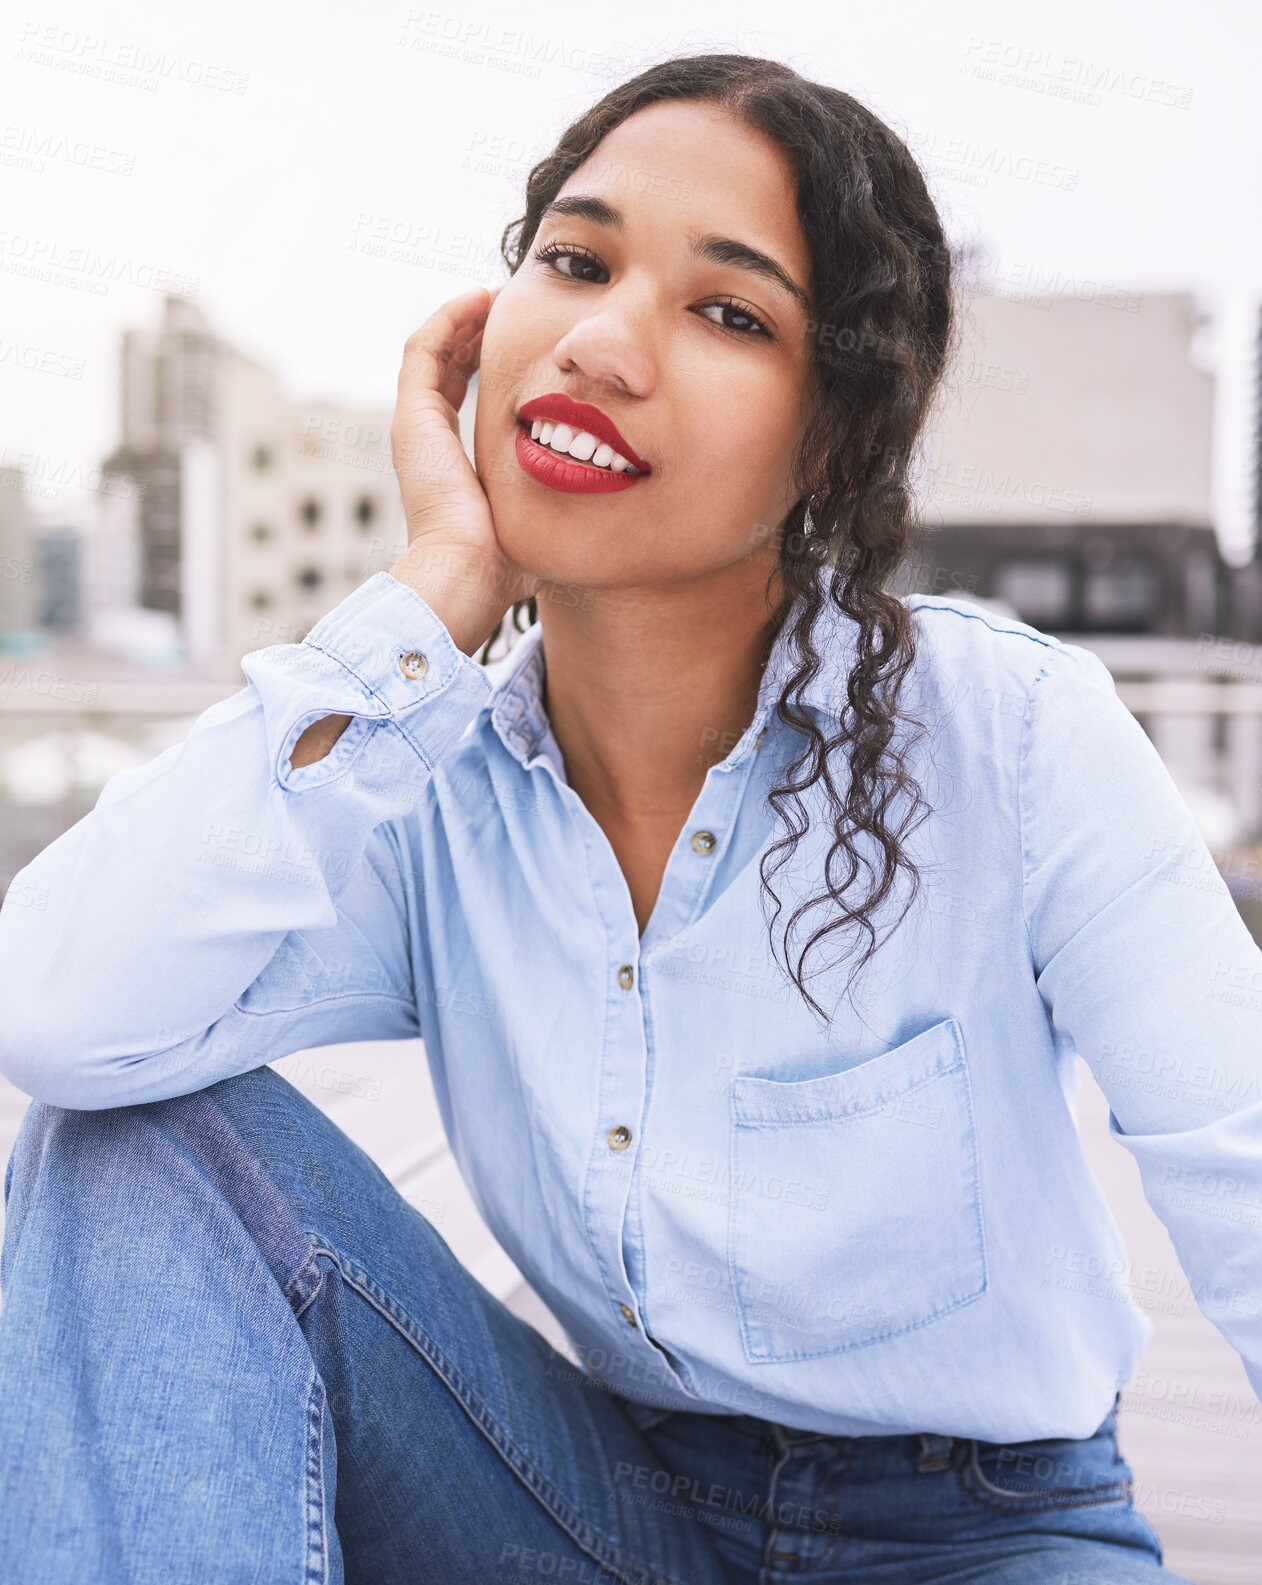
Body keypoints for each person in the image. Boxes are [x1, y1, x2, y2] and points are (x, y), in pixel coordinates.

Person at [0, 50, 1253, 1585]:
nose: (599, 341)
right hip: (590, 1506)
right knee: (128, 1150)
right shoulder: (424, 773)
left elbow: (1242, 1172)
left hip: (979, 1540)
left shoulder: (1007, 737)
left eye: (726, 311)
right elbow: (62, 1015)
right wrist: (436, 593)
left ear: (832, 439)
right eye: (575, 261)